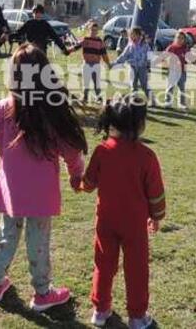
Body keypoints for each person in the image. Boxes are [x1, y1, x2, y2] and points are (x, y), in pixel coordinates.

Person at [0, 43, 87, 311]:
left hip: (11, 190)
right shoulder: (51, 109)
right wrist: (76, 174)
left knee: (6, 235)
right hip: (41, 194)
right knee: (38, 241)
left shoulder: (3, 109)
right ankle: (42, 293)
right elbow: (72, 149)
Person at [81, 94, 165, 329]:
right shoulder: (147, 156)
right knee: (136, 269)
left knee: (103, 263)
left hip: (106, 221)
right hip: (135, 224)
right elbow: (156, 193)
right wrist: (157, 217)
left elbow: (88, 183)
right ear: (140, 125)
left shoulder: (101, 151)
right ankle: (137, 317)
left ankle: (100, 310)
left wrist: (78, 182)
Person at [69, 21, 110, 103]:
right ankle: (85, 97)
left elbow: (104, 54)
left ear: (97, 31)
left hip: (96, 65)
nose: (93, 32)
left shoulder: (100, 41)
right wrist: (68, 51)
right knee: (86, 82)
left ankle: (98, 97)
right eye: (92, 30)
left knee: (96, 82)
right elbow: (76, 47)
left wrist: (108, 63)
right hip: (87, 64)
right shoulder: (85, 40)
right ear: (89, 30)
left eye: (95, 30)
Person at [112, 27, 153, 106]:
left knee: (144, 85)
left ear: (139, 35)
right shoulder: (130, 45)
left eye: (134, 35)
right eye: (131, 35)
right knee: (133, 85)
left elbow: (150, 54)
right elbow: (123, 56)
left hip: (142, 68)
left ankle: (152, 100)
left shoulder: (144, 45)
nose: (132, 36)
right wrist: (115, 63)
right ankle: (135, 101)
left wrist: (148, 64)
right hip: (132, 67)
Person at [162, 32, 196, 110]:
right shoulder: (171, 47)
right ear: (175, 38)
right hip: (172, 72)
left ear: (184, 40)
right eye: (178, 37)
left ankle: (182, 104)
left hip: (182, 72)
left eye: (182, 38)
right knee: (170, 88)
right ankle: (168, 103)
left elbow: (191, 57)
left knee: (182, 89)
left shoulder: (185, 49)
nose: (180, 39)